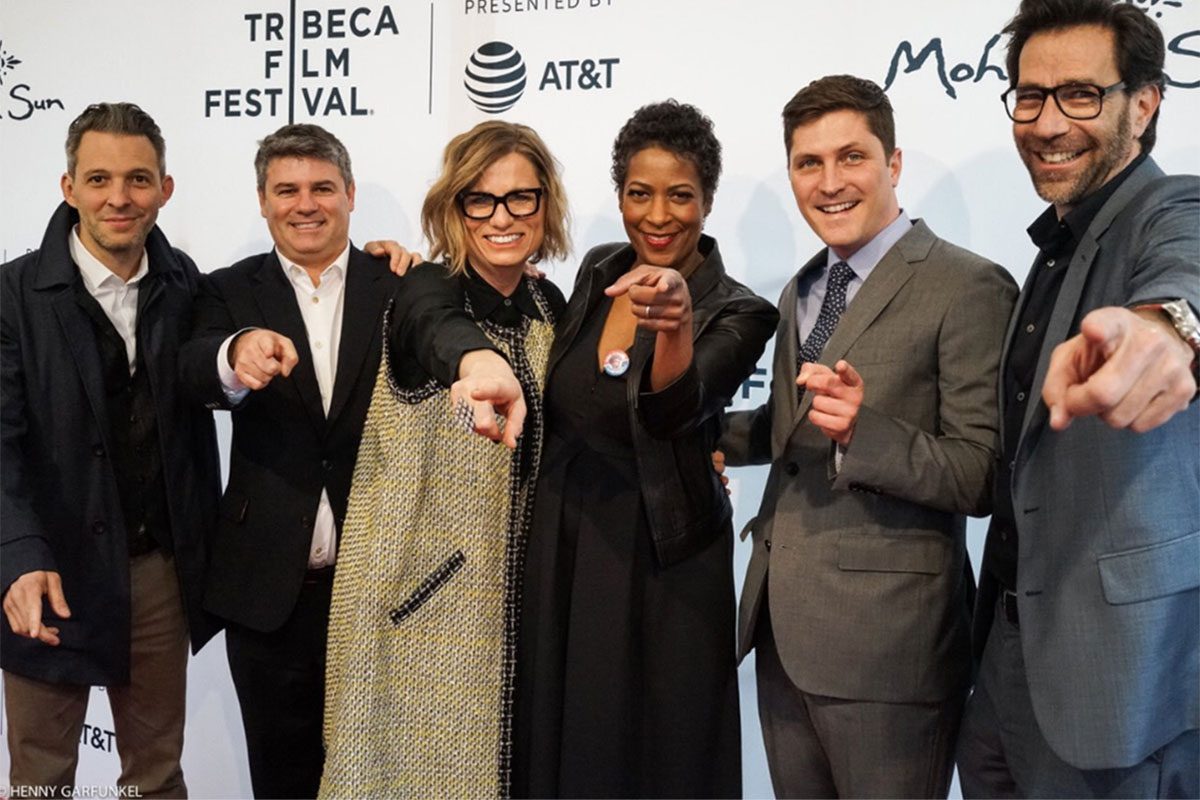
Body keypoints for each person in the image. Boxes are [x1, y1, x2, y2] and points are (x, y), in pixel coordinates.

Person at [719, 75, 1018, 798]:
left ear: (894, 162)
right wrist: (688, 433)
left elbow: (981, 473)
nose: (829, 182)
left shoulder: (969, 286)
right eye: (808, 163)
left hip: (893, 652)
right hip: (781, 634)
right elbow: (794, 432)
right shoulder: (802, 289)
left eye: (851, 157)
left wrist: (865, 431)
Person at [956, 1, 1199, 796]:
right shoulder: (1053, 248)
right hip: (1003, 660)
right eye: (1030, 96)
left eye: (1081, 95)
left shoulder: (1172, 209)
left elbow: (1183, 282)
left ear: (1146, 101)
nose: (1048, 122)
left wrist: (1167, 330)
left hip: (1121, 680)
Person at [502, 100, 775, 799]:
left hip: (665, 556)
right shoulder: (598, 269)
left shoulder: (741, 311)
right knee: (570, 737)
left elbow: (677, 410)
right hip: (565, 536)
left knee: (661, 753)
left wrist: (679, 325)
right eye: (639, 193)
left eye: (680, 195)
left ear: (707, 201)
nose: (658, 215)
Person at [176, 123, 452, 800]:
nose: (306, 204)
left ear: (350, 195)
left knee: (383, 777)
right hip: (268, 590)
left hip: (384, 587)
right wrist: (234, 355)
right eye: (288, 190)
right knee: (282, 779)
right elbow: (190, 367)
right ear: (264, 202)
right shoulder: (225, 290)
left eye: (323, 188)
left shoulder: (401, 286)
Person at [319, 120, 570, 799]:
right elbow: (437, 328)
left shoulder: (550, 305)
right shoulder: (422, 290)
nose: (501, 217)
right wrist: (479, 360)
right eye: (479, 200)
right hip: (416, 614)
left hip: (523, 612)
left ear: (545, 204)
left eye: (521, 198)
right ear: (452, 209)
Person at [1, 102, 221, 798]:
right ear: (68, 188)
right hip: (49, 573)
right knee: (40, 782)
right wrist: (19, 557)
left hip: (158, 573)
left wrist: (379, 261)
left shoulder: (187, 283)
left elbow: (268, 303)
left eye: (137, 179)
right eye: (98, 180)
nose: (118, 198)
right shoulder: (10, 296)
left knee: (156, 780)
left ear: (166, 188)